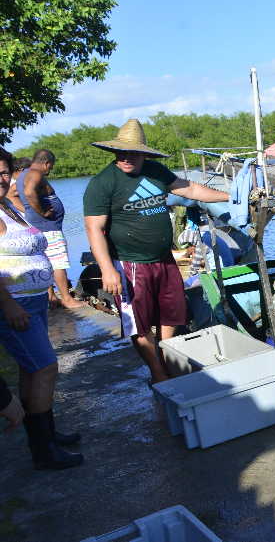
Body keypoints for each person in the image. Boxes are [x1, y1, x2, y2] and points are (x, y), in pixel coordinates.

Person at [83, 119, 230, 383]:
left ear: (144, 153)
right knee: (137, 323)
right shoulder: (103, 183)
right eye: (121, 152)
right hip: (129, 264)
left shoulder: (155, 171)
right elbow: (94, 229)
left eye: (132, 152)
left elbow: (191, 188)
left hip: (163, 260)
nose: (126, 157)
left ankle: (166, 355)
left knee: (171, 312)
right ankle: (158, 372)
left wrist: (231, 196)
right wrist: (107, 270)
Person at [0, 148, 83, 469]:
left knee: (31, 369)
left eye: (5, 172)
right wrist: (7, 304)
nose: (2, 178)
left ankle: (47, 435)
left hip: (33, 300)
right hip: (14, 305)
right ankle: (43, 451)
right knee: (46, 367)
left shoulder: (8, 205)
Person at [18, 149, 84, 309]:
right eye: (51, 166)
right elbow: (28, 192)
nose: (50, 170)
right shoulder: (35, 173)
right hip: (48, 227)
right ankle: (67, 299)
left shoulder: (22, 174)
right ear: (46, 163)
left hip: (37, 227)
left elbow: (12, 195)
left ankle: (51, 297)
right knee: (58, 263)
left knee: (45, 261)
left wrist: (27, 212)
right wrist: (42, 212)